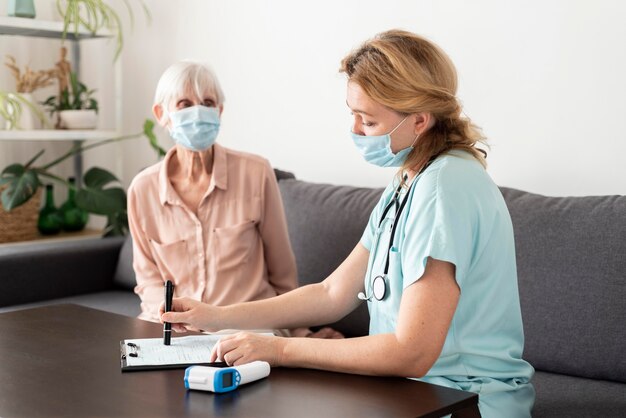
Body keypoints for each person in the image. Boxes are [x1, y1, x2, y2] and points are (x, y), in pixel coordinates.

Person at [160, 32, 535, 416]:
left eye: (368, 120)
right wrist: (217, 316)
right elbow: (330, 293)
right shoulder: (408, 181)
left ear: (419, 120)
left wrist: (281, 349)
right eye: (352, 113)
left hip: (464, 401)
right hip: (411, 394)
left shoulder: (445, 189)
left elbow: (412, 351)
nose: (354, 129)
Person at [128, 61, 341, 339]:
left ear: (219, 111)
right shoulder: (142, 189)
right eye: (184, 104)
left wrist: (301, 333)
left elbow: (283, 274)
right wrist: (172, 324)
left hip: (247, 329)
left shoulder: (256, 172)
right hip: (177, 331)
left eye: (207, 102)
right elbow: (148, 282)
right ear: (161, 114)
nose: (198, 112)